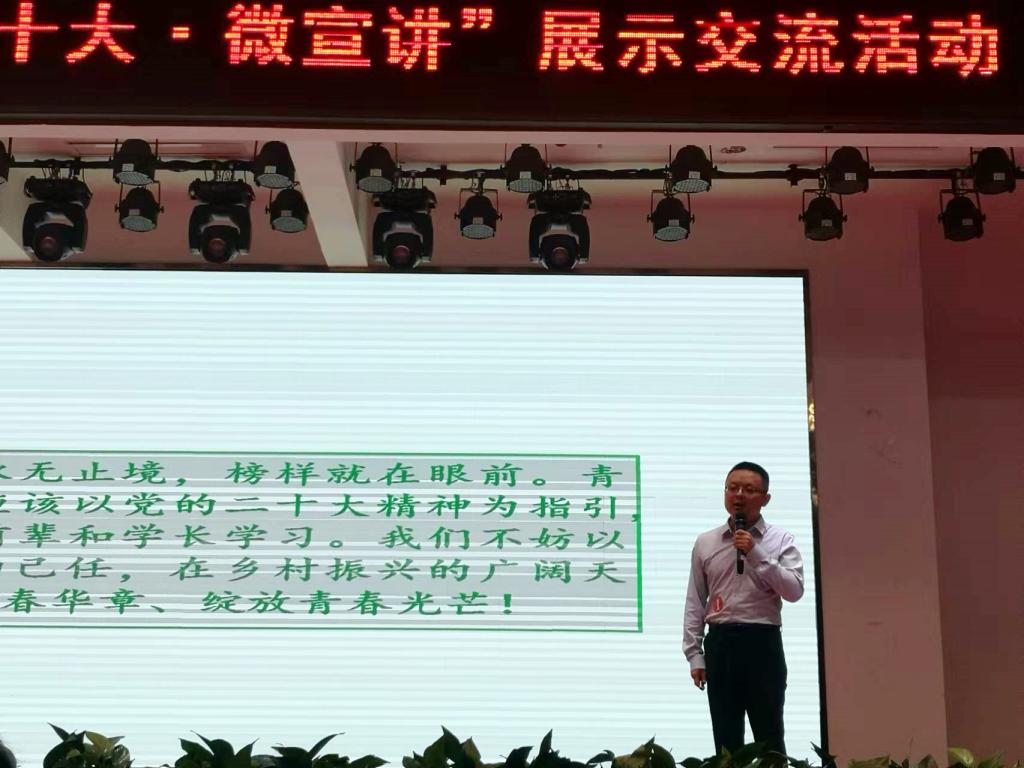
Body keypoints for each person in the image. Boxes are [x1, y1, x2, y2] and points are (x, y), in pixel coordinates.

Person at [683, 461, 805, 756]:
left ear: (765, 498)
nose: (739, 495)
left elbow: (794, 591)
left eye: (749, 489)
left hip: (762, 643)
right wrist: (695, 655)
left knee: (769, 736)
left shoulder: (781, 540)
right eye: (733, 488)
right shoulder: (706, 542)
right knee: (726, 739)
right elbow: (695, 600)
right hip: (721, 643)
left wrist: (755, 552)